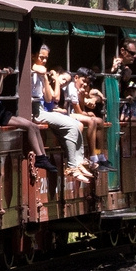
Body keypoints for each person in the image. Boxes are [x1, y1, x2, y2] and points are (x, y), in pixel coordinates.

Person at [31, 43, 92, 181]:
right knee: (71, 126)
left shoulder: (41, 72)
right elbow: (34, 67)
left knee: (76, 124)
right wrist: (39, 69)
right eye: (42, 57)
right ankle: (72, 167)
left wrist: (45, 78)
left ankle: (78, 162)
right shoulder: (33, 68)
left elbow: (48, 98)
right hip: (34, 111)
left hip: (40, 107)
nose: (45, 61)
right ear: (33, 55)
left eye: (46, 58)